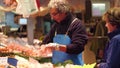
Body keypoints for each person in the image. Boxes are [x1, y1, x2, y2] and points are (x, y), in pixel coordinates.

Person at [40, 0, 88, 65]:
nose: (52, 18)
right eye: (51, 14)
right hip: (57, 65)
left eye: (54, 14)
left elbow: (78, 47)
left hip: (73, 65)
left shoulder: (77, 25)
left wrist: (57, 47)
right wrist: (42, 47)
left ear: (63, 12)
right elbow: (46, 41)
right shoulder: (56, 25)